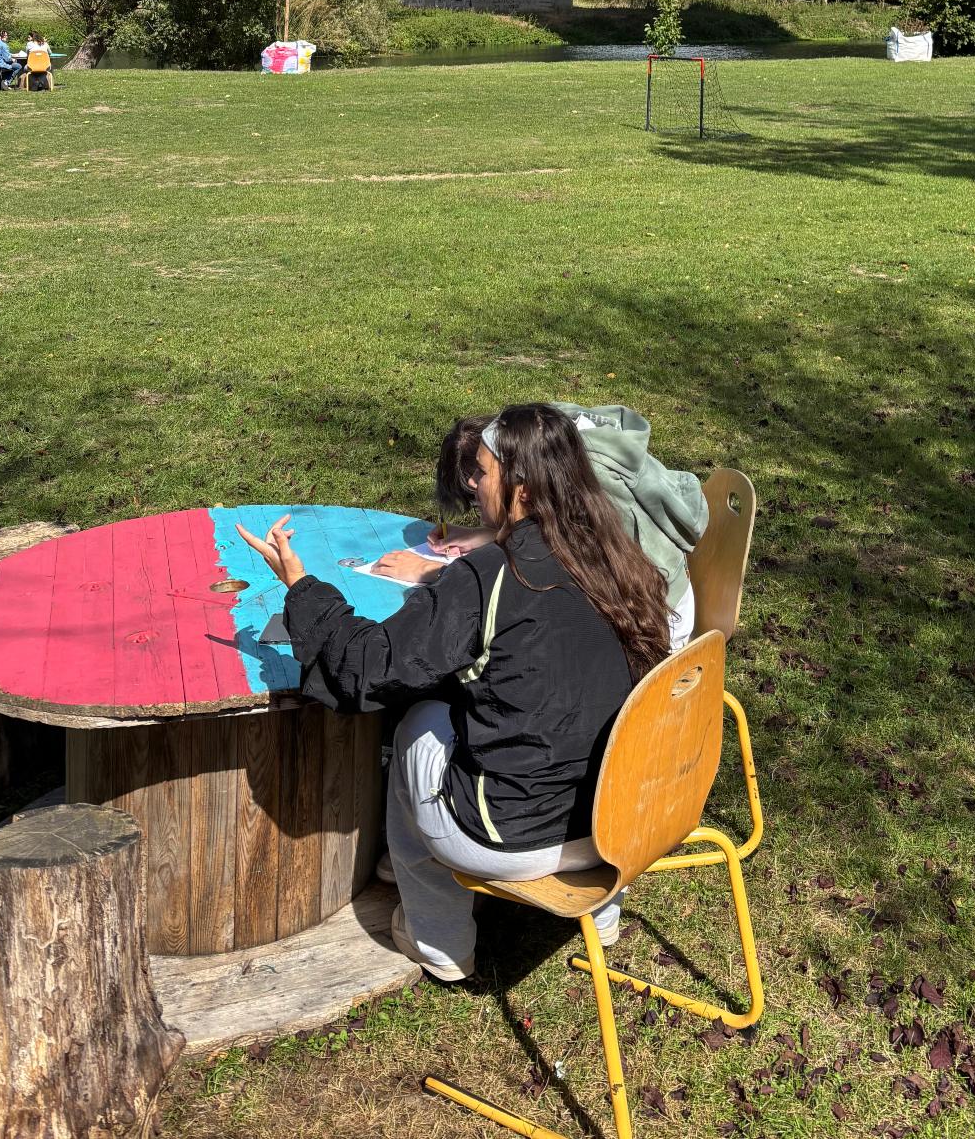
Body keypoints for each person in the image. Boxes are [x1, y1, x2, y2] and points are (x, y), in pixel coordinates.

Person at [236, 403, 670, 982]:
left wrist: (301, 586)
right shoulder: (619, 556)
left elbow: (371, 667)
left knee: (419, 721)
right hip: (624, 818)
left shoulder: (489, 576)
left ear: (521, 488)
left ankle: (438, 942)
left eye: (483, 473)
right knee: (575, 698)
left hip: (515, 834)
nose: (473, 485)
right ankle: (604, 915)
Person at [399, 404, 707, 649]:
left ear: (520, 480)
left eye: (481, 475)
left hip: (656, 627)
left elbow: (533, 579)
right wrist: (487, 535)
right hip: (642, 604)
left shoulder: (587, 487)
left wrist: (434, 573)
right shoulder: (548, 442)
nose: (473, 484)